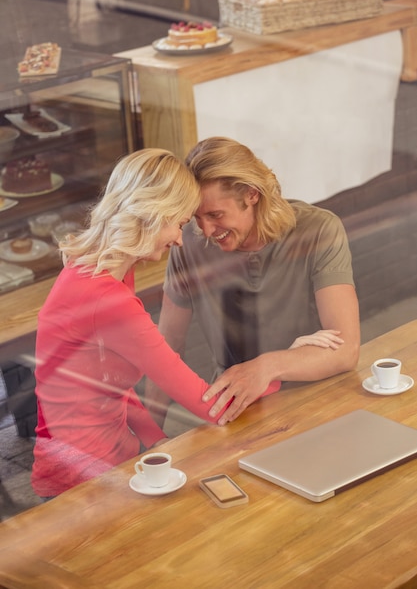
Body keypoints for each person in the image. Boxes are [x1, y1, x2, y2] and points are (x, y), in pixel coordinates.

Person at [31, 149, 235, 498]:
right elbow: (205, 403)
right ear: (153, 214)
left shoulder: (98, 271)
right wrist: (275, 369)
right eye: (180, 223)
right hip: (82, 485)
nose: (179, 239)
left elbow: (109, 384)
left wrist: (157, 441)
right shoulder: (108, 300)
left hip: (115, 463)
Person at [145, 136, 360, 428]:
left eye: (215, 215)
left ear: (251, 195)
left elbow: (346, 350)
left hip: (315, 395)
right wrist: (149, 436)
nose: (206, 230)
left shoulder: (319, 229)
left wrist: (267, 367)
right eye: (196, 217)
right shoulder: (190, 244)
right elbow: (168, 347)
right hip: (235, 405)